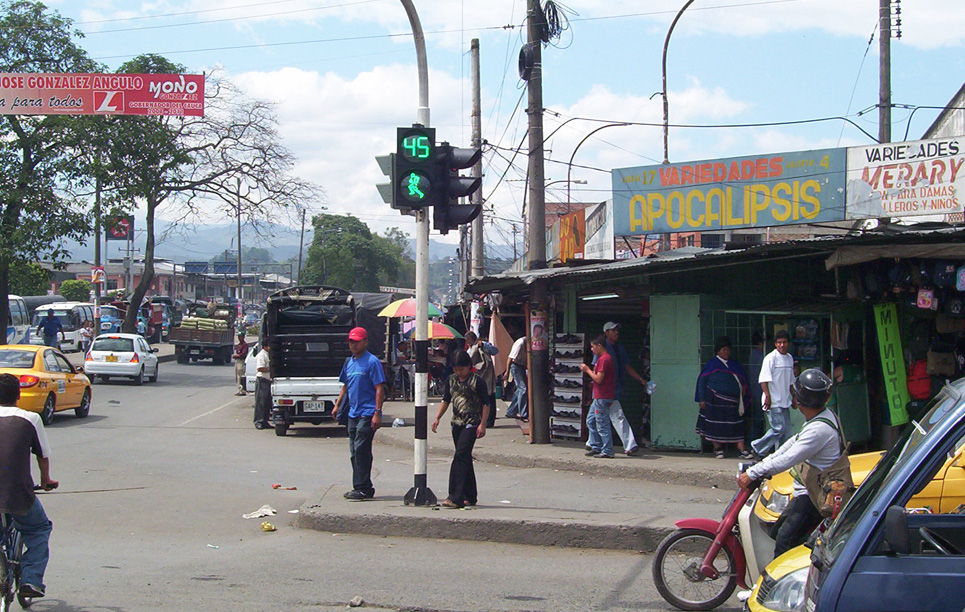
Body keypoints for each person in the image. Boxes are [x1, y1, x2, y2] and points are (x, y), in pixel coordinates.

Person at [738, 368, 840, 557]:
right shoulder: (821, 417)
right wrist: (761, 465)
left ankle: (780, 584)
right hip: (808, 491)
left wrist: (753, 473)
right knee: (778, 532)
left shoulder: (818, 430)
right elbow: (791, 444)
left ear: (801, 402)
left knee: (785, 542)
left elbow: (789, 458)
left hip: (814, 497)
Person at [0, 372, 58, 599]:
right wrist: (46, 481)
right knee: (38, 528)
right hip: (17, 494)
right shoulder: (30, 418)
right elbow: (42, 455)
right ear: (18, 395)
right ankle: (31, 579)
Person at [332, 327, 385, 501]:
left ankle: (363, 487)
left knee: (361, 448)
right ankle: (361, 486)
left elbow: (379, 388)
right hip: (353, 413)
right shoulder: (349, 363)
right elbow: (345, 386)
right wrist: (337, 405)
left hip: (368, 412)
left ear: (365, 342)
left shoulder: (372, 362)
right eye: (351, 342)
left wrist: (377, 412)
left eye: (357, 341)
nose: (353, 345)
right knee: (354, 451)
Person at [431, 350, 489, 509]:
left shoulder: (477, 381)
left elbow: (486, 403)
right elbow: (446, 400)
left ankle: (454, 496)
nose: (459, 373)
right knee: (464, 458)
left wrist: (483, 424)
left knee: (460, 455)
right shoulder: (451, 381)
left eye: (462, 369)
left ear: (469, 367)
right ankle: (470, 495)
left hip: (472, 423)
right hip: (456, 423)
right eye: (456, 369)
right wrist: (437, 418)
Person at [695, 336, 754, 459]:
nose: (727, 352)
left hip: (733, 403)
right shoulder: (712, 364)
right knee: (714, 426)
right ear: (718, 351)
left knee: (736, 425)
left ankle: (741, 450)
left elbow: (742, 379)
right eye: (724, 350)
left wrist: (743, 389)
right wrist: (701, 399)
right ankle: (718, 448)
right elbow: (701, 381)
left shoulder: (734, 364)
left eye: (728, 350)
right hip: (715, 402)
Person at [601, 322, 647, 455]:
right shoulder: (602, 348)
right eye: (613, 330)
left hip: (612, 390)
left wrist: (640, 379)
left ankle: (592, 444)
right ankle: (629, 445)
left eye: (617, 330)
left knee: (595, 418)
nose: (616, 333)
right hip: (605, 390)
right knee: (614, 416)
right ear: (606, 332)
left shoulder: (619, 348)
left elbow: (626, 366)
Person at [751, 330, 795, 457]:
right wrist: (768, 397)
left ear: (788, 344)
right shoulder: (770, 358)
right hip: (773, 401)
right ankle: (758, 447)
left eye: (784, 342)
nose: (782, 345)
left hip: (785, 401)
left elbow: (791, 381)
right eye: (779, 343)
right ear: (775, 344)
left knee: (787, 432)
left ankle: (782, 456)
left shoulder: (789, 358)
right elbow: (763, 380)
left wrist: (794, 397)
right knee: (778, 428)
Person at [580, 336, 616, 458]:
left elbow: (598, 379)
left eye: (593, 346)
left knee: (602, 424)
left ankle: (607, 450)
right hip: (599, 396)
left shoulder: (604, 359)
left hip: (602, 396)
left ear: (599, 346)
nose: (591, 349)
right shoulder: (603, 358)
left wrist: (587, 370)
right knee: (591, 420)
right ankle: (596, 446)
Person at [465, 331, 497, 428]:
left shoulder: (483, 345)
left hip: (486, 376)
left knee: (489, 397)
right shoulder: (469, 350)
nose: (468, 343)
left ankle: (489, 421)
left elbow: (495, 351)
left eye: (469, 341)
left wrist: (483, 345)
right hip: (477, 377)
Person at [504, 333, 528, 420]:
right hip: (516, 365)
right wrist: (507, 372)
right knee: (523, 389)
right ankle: (523, 414)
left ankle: (511, 411)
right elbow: (510, 358)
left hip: (522, 365)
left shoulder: (529, 343)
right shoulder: (520, 343)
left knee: (520, 390)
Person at [253, 344, 271, 429]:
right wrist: (270, 368)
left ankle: (265, 421)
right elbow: (260, 368)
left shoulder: (268, 354)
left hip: (268, 380)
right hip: (262, 380)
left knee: (267, 402)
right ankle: (258, 421)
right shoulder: (261, 355)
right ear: (265, 346)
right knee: (261, 402)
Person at [232, 332, 249, 396]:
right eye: (238, 336)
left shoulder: (244, 345)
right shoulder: (239, 345)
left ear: (243, 337)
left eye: (240, 336)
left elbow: (243, 354)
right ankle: (239, 389)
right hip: (237, 361)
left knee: (241, 375)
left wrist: (237, 356)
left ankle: (242, 390)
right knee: (237, 376)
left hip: (241, 360)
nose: (239, 338)